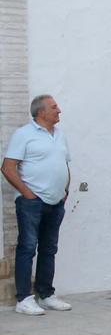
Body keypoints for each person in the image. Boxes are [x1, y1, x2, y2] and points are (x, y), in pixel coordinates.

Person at [4, 94, 73, 315]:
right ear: (41, 112)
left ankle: (46, 294)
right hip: (32, 203)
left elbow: (63, 164)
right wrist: (26, 193)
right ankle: (24, 299)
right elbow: (8, 167)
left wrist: (65, 191)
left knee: (49, 249)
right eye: (54, 107)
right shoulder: (24, 134)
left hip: (56, 202)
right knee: (27, 248)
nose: (59, 110)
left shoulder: (60, 135)